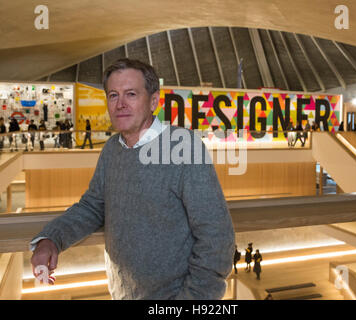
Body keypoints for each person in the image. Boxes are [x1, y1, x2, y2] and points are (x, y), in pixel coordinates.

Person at [29, 58, 235, 300]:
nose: (120, 104)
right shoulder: (111, 150)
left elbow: (216, 238)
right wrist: (51, 239)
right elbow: (93, 207)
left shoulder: (184, 147)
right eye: (113, 95)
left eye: (131, 94)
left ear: (154, 101)